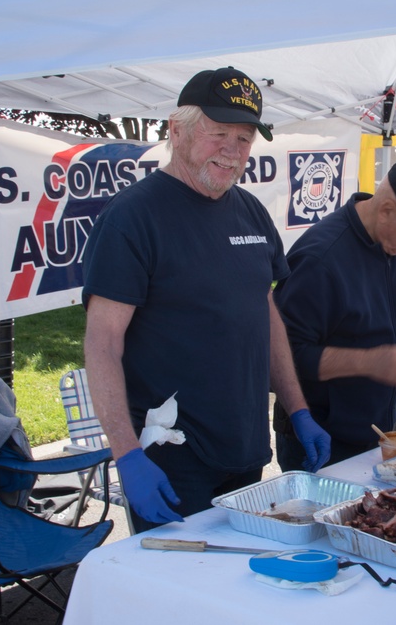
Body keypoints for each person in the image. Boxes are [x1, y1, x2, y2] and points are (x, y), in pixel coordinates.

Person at [82, 67, 330, 533]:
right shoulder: (132, 218)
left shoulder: (251, 212)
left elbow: (266, 315)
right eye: (218, 134)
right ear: (176, 130)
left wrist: (298, 409)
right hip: (173, 459)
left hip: (246, 450)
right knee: (176, 593)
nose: (232, 152)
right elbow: (102, 343)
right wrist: (127, 455)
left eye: (244, 139)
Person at [272, 160, 396, 470]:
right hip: (320, 440)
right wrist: (373, 362)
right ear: (385, 210)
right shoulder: (321, 258)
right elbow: (283, 357)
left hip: (378, 436)